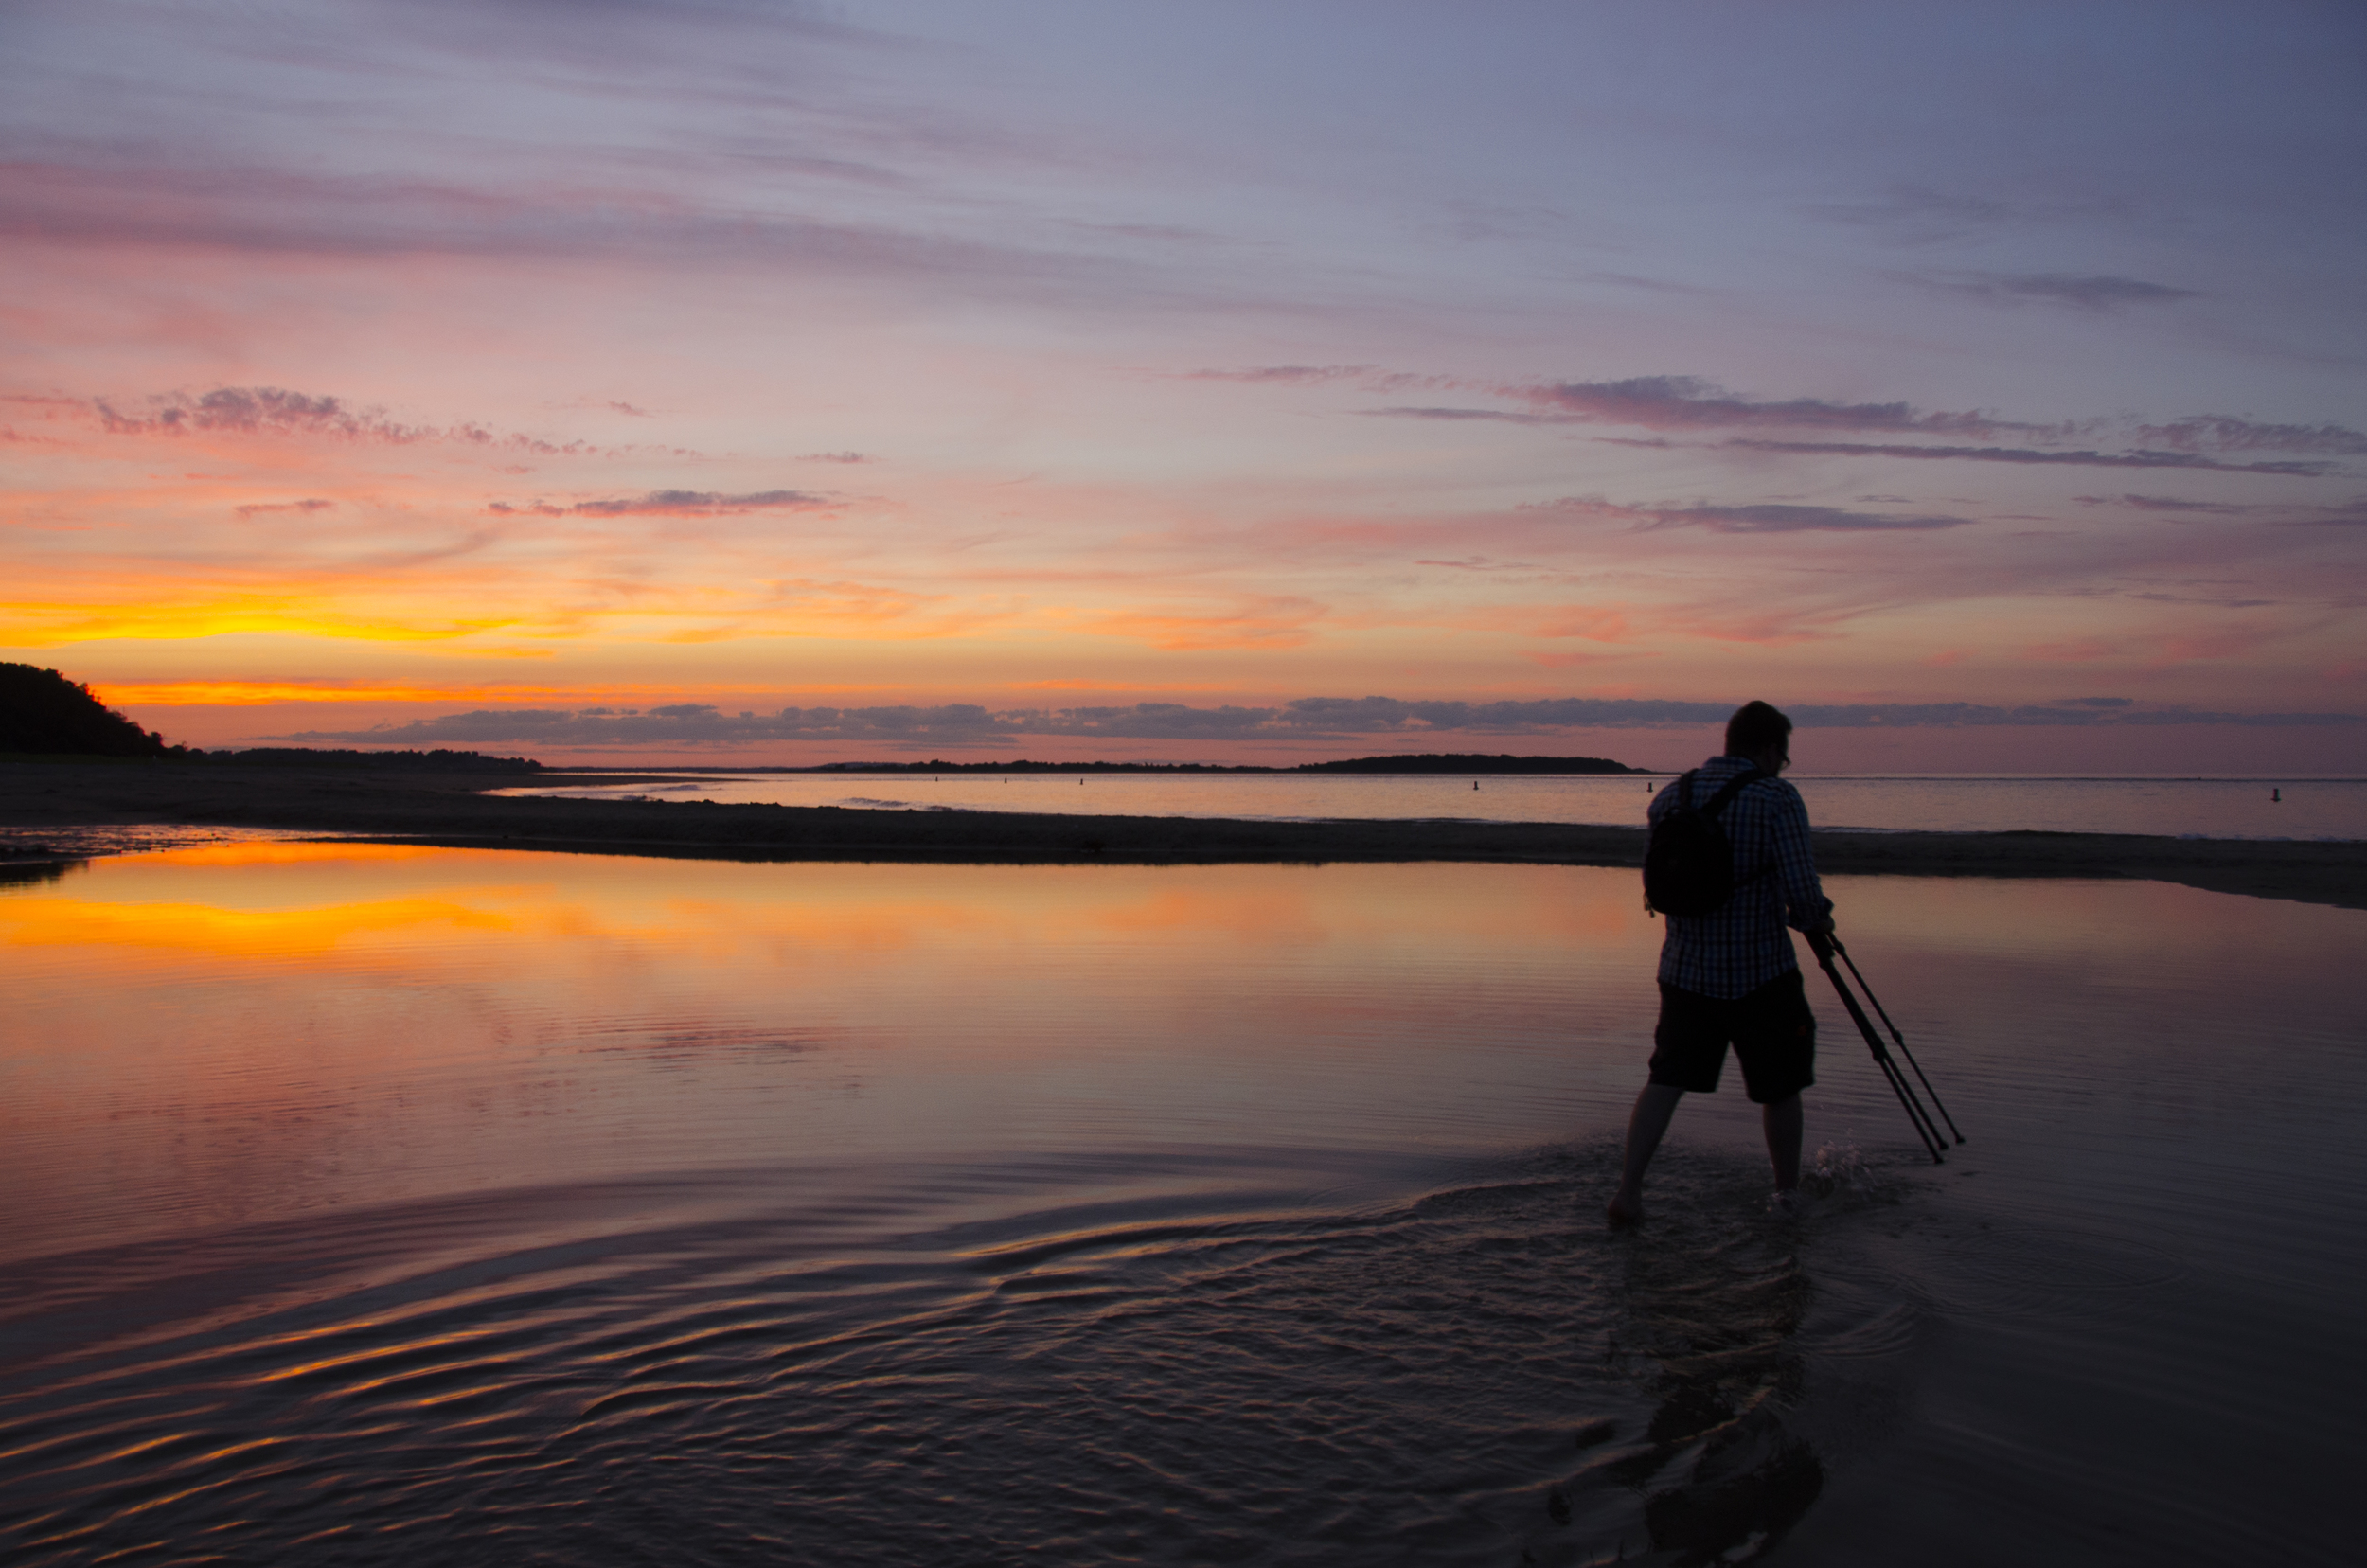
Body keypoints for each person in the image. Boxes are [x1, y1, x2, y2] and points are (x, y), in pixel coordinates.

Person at [1607, 700, 1833, 1225]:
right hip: (1761, 974)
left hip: (1685, 972)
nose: (1782, 767)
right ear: (1769, 749)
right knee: (1780, 1088)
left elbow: (1655, 885)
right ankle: (1785, 1199)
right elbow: (1802, 894)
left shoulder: (1671, 797)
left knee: (1665, 1080)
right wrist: (1818, 922)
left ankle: (1628, 1192)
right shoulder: (1776, 797)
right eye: (1783, 757)